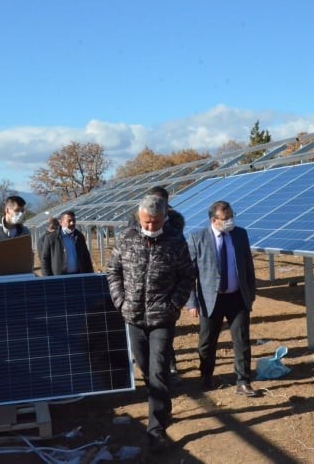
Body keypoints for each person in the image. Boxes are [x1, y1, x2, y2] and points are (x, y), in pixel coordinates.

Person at [106, 195, 195, 453]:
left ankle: (155, 430)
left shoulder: (175, 242)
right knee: (145, 367)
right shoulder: (126, 238)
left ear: (164, 218)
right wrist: (120, 301)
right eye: (146, 221)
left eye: (156, 222)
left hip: (162, 318)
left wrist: (174, 304)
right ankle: (163, 405)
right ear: (139, 216)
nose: (151, 226)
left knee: (158, 370)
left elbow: (187, 276)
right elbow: (113, 271)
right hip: (133, 316)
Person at [186, 200, 258, 397]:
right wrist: (192, 302)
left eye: (232, 217)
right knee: (207, 341)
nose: (230, 221)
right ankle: (206, 376)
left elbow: (248, 266)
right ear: (213, 220)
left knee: (242, 339)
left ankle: (243, 381)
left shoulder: (240, 235)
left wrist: (250, 294)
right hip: (211, 299)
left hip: (237, 297)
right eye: (226, 219)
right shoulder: (197, 238)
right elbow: (188, 275)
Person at [146, 185, 185, 382]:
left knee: (165, 333)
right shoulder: (137, 219)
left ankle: (170, 367)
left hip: (167, 289)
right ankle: (152, 373)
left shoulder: (175, 224)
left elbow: (183, 263)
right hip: (144, 289)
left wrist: (177, 298)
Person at [40, 210, 94, 276]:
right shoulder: (51, 238)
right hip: (59, 278)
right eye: (69, 221)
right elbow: (45, 260)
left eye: (74, 221)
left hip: (78, 276)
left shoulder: (79, 237)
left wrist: (91, 275)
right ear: (61, 222)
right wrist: (48, 278)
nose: (72, 223)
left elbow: (86, 257)